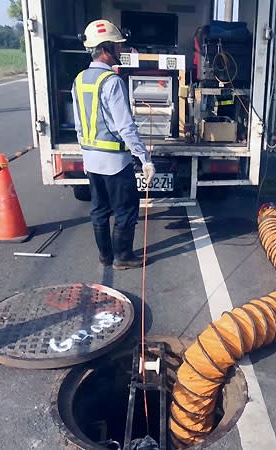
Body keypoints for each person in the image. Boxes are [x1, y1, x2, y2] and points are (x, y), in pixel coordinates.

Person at [71, 19, 155, 269]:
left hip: (92, 160)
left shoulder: (80, 80)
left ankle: (105, 256)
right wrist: (145, 159)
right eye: (117, 46)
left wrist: (85, 155)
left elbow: (78, 125)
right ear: (106, 49)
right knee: (126, 210)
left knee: (99, 209)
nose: (120, 51)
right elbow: (125, 127)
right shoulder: (112, 82)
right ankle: (123, 257)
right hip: (115, 163)